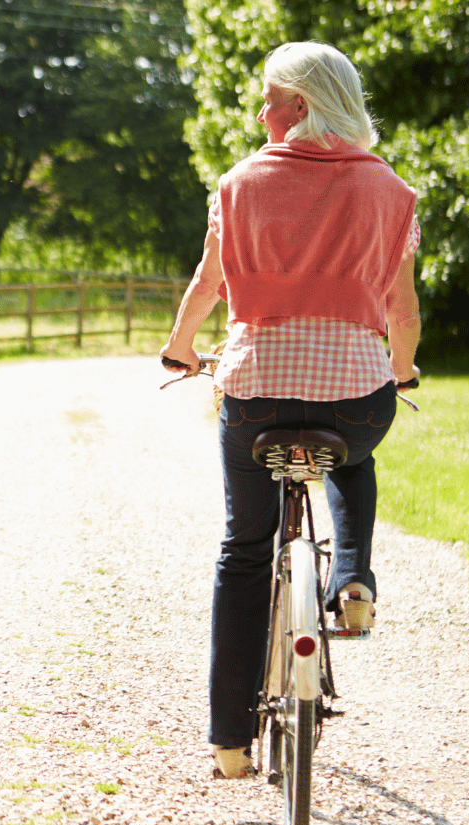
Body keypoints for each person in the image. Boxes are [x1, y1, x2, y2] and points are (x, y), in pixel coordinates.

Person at [159, 41, 422, 780]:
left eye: (270, 98)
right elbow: (402, 308)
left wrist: (180, 348)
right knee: (354, 456)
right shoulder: (390, 190)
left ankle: (229, 741)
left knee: (246, 547)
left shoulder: (238, 183)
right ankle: (353, 579)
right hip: (356, 397)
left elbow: (208, 284)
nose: (261, 112)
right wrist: (401, 370)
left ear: (300, 104)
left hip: (256, 394)